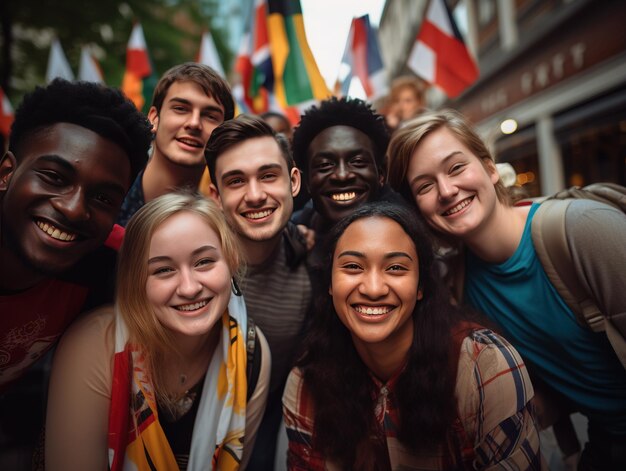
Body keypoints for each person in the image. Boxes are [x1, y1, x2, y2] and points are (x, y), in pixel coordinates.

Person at [386, 108, 626, 470]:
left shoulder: (582, 230)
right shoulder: (458, 286)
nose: (447, 191)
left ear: (490, 167)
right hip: (607, 441)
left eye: (455, 168)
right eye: (425, 185)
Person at [283, 202, 540, 470]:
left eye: (395, 268)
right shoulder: (305, 382)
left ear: (420, 287)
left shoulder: (483, 365)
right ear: (330, 285)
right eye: (353, 267)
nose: (373, 289)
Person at [45, 193, 270, 471]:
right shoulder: (96, 345)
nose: (189, 288)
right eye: (163, 270)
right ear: (136, 282)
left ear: (232, 261)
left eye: (204, 262)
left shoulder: (251, 353)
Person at [0, 78, 152, 392]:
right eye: (54, 178)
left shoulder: (115, 260)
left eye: (103, 199)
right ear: (6, 174)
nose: (73, 209)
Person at [206, 115, 311, 470]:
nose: (255, 195)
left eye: (268, 175)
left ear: (293, 181)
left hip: (263, 433)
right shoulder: (191, 267)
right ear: (216, 197)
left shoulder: (314, 265)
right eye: (236, 181)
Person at [117, 62, 234, 226]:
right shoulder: (107, 199)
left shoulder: (220, 233)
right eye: (180, 108)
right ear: (154, 119)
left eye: (210, 116)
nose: (194, 123)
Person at [291, 97, 403, 262]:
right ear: (306, 181)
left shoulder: (414, 240)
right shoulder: (293, 241)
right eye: (325, 165)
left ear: (381, 173)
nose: (342, 175)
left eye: (357, 162)